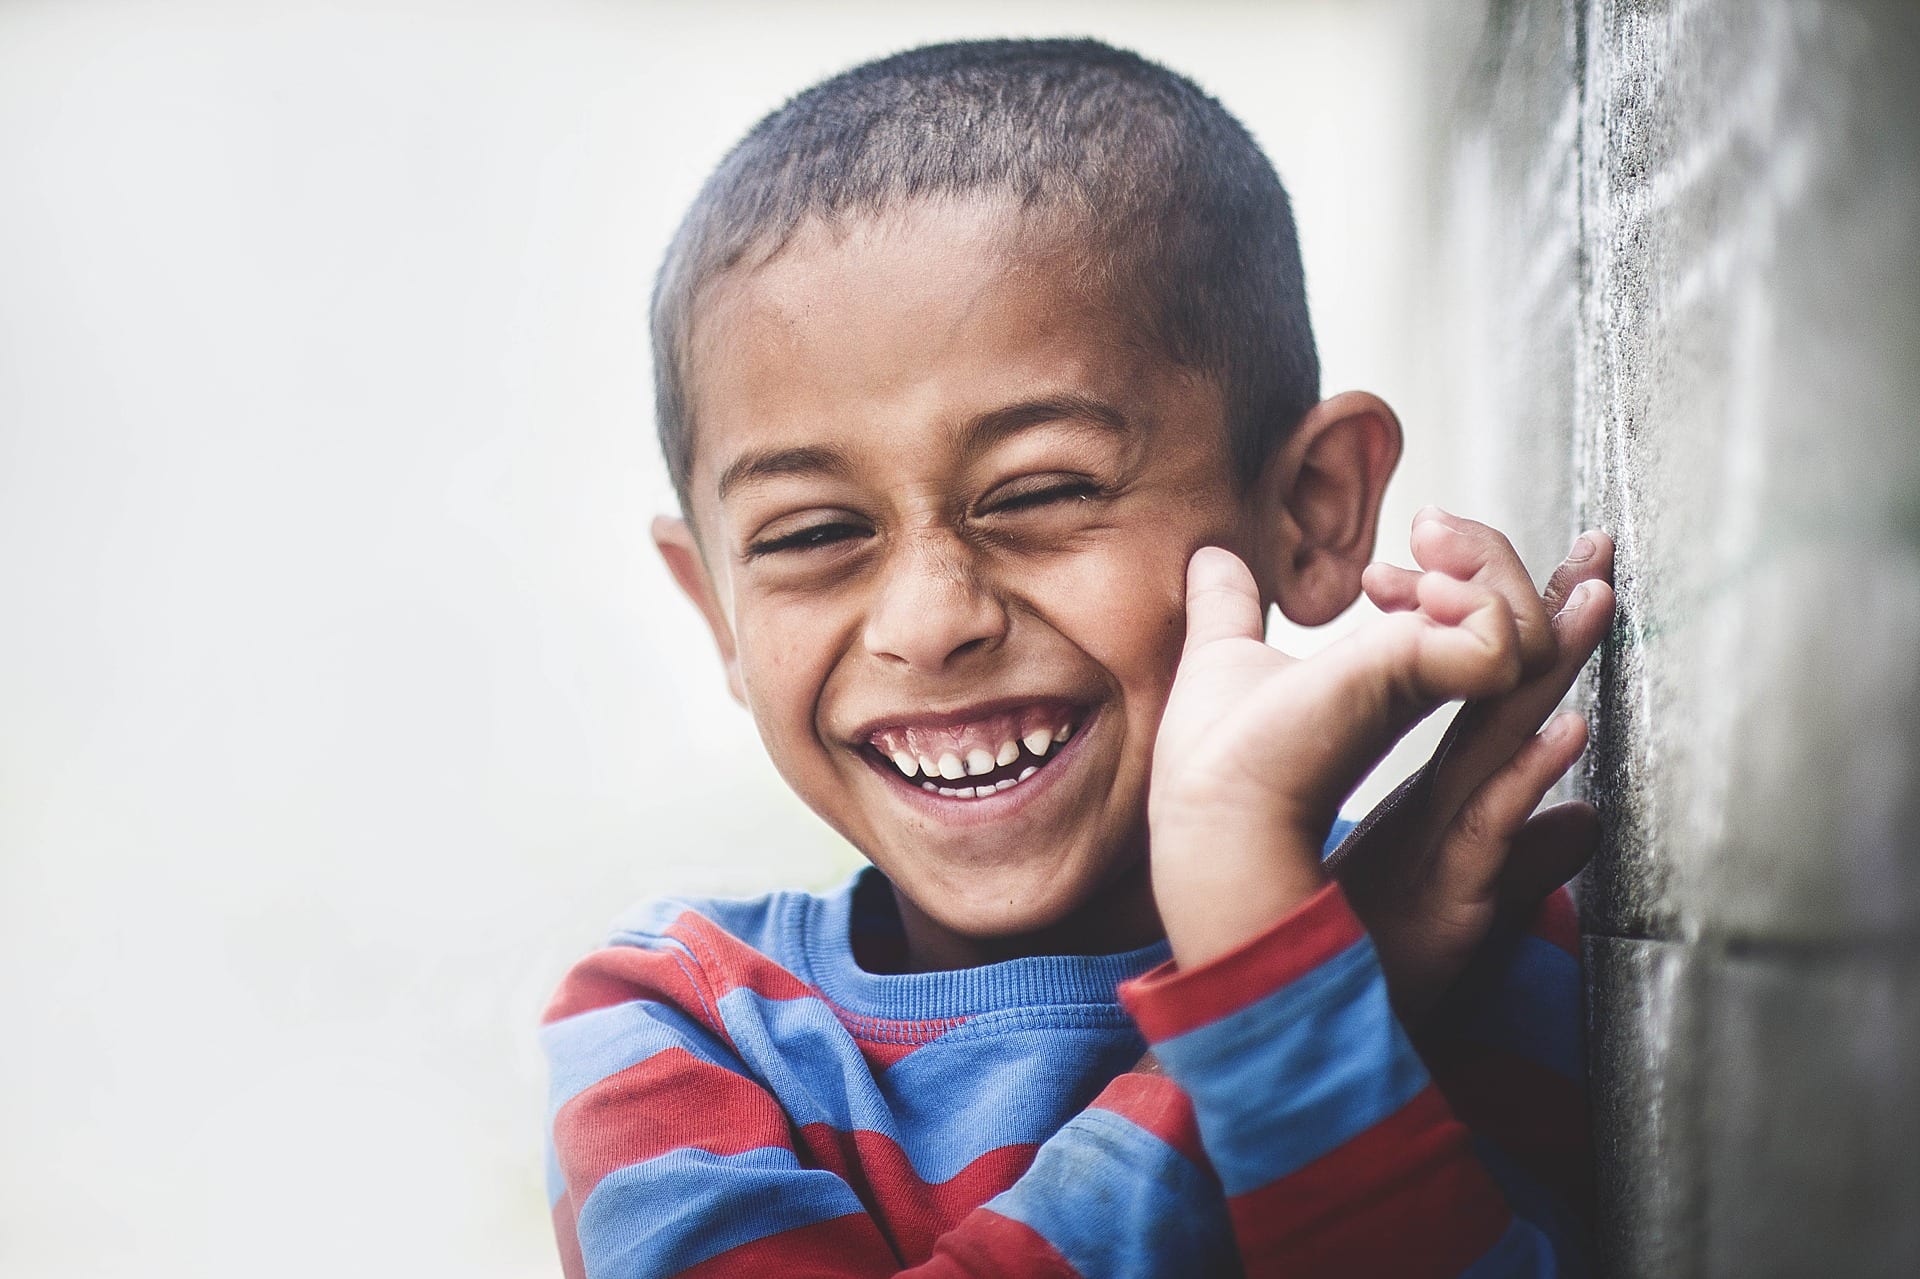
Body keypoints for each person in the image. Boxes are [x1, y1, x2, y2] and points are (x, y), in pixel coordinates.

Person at [541, 38, 1615, 1278]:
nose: (931, 619)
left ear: (1312, 511)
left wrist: (1272, 950)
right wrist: (1280, 999)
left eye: (1040, 490)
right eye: (816, 532)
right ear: (717, 608)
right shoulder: (680, 1032)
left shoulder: (1472, 915)